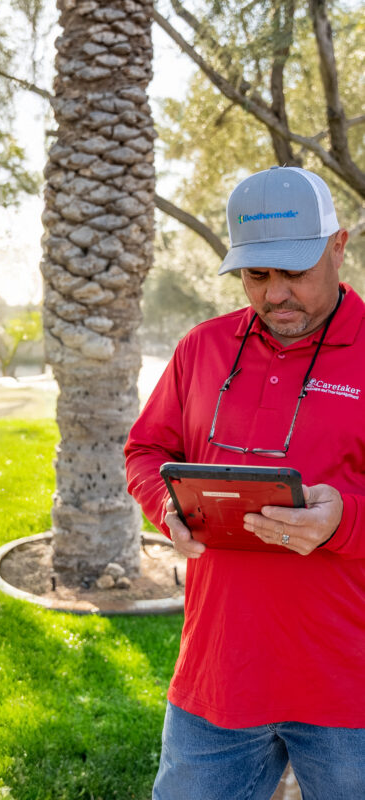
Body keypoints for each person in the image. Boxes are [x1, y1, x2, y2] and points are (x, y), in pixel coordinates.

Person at [124, 166, 365, 799]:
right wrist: (165, 506)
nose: (275, 294)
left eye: (295, 272)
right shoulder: (201, 349)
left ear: (338, 247)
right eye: (257, 275)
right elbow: (147, 450)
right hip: (218, 677)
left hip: (349, 687)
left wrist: (344, 519)